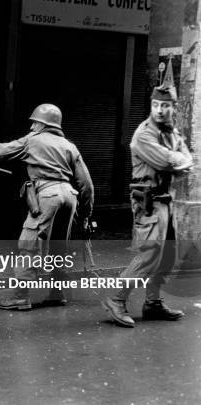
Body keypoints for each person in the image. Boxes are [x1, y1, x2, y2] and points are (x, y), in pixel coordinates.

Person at [0, 104, 94, 310]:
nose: (31, 126)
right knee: (60, 247)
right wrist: (86, 215)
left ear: (42, 123)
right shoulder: (69, 146)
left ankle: (21, 297)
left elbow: (2, 149)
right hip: (70, 196)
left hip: (47, 195)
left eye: (34, 122)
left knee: (28, 246)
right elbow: (87, 186)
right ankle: (58, 293)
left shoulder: (32, 141)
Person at [102, 84, 193, 328]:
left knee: (168, 255)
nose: (160, 110)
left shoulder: (170, 133)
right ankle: (116, 298)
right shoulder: (144, 134)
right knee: (150, 254)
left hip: (165, 199)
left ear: (173, 107)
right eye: (156, 105)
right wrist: (180, 161)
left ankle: (153, 302)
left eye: (165, 105)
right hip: (149, 202)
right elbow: (167, 161)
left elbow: (188, 158)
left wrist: (181, 161)